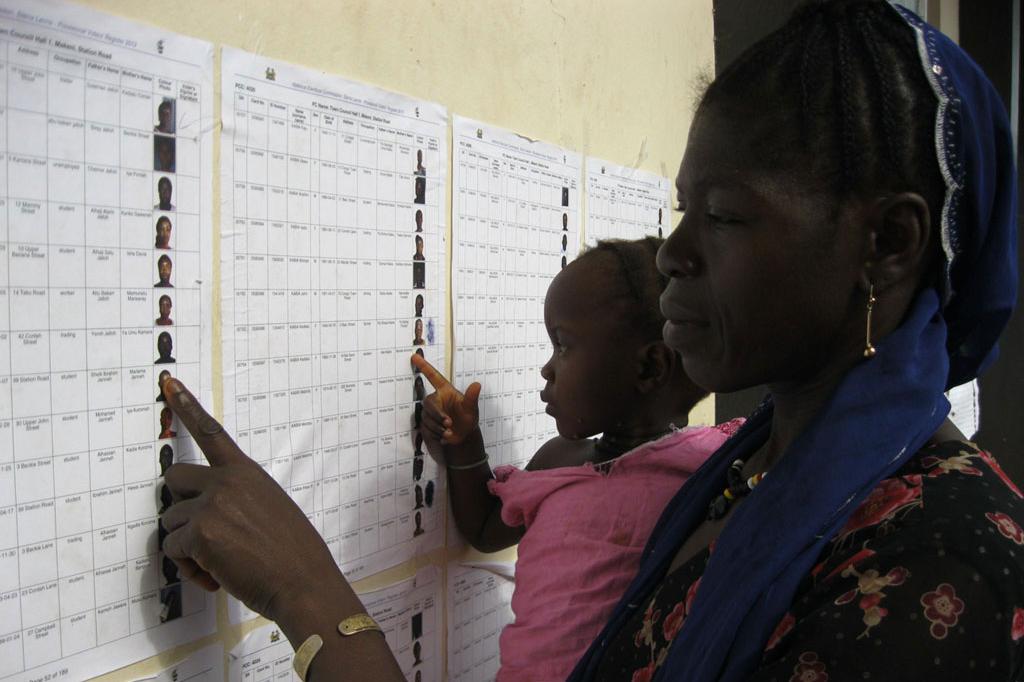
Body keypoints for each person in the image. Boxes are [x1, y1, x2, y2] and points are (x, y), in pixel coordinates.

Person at [155, 3, 1021, 680]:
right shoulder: (749, 475)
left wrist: (311, 599)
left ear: (889, 243)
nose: (677, 252)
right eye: (684, 209)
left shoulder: (940, 567)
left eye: (720, 215)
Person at [413, 239, 726, 681]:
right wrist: (465, 444)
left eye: (562, 346)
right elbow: (485, 530)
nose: (547, 369)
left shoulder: (705, 475)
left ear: (649, 367)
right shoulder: (559, 462)